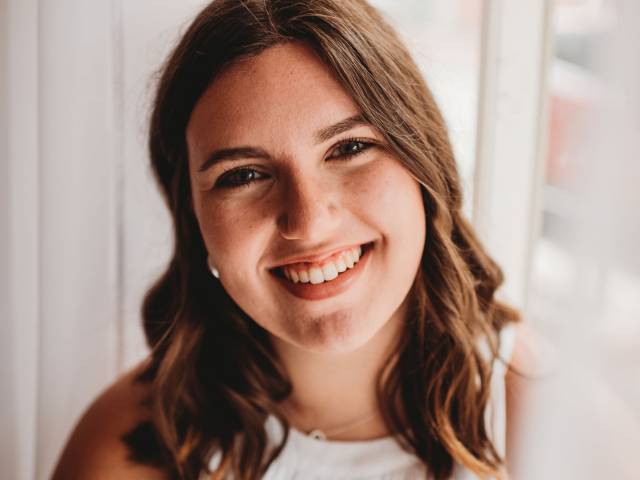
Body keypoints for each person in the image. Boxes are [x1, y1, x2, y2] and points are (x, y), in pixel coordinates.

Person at [53, 1, 534, 479]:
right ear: (192, 217)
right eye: (243, 175)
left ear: (423, 162)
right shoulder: (121, 454)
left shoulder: (543, 421)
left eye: (350, 147)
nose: (307, 222)